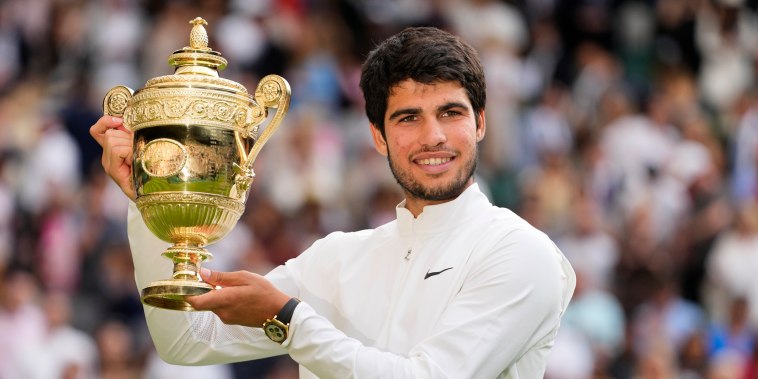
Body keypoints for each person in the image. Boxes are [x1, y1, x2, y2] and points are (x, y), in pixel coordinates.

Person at [90, 26, 576, 378]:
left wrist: (287, 319)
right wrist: (151, 197)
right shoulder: (338, 257)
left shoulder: (519, 252)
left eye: (451, 113)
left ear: (481, 123)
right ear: (378, 137)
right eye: (408, 118)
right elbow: (186, 343)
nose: (433, 137)